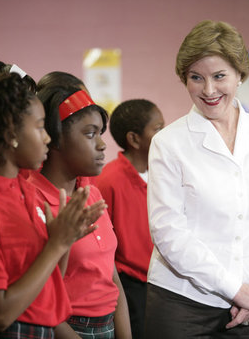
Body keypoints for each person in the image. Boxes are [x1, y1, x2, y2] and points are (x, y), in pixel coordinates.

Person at [145, 20, 249, 338]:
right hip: (181, 304)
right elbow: (169, 232)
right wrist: (236, 289)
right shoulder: (168, 143)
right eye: (195, 78)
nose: (208, 90)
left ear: (240, 74)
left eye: (219, 76)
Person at [0, 72, 105, 338]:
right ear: (10, 133)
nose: (47, 138)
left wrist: (63, 239)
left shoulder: (23, 189)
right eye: (40, 127)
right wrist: (57, 244)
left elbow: (49, 281)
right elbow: (0, 314)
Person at [31, 85, 132, 338]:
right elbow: (36, 298)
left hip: (107, 324)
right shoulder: (33, 200)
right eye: (89, 134)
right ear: (53, 139)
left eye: (100, 133)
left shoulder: (91, 193)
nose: (101, 145)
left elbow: (112, 278)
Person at [95, 99, 164, 339]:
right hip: (131, 287)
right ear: (134, 139)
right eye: (157, 129)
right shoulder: (108, 180)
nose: (165, 135)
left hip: (164, 283)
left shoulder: (167, 174)